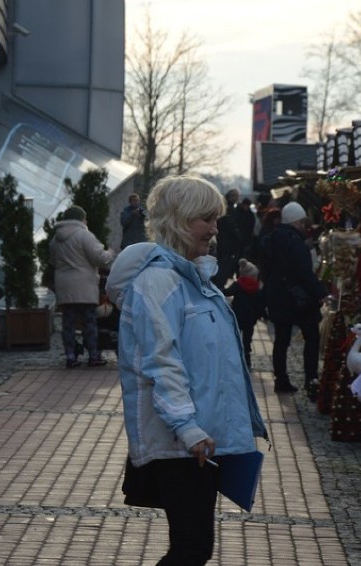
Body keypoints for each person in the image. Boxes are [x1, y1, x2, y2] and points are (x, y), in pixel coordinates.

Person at [105, 175, 268, 565]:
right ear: (179, 219)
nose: (214, 229)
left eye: (216, 219)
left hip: (199, 441)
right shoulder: (159, 282)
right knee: (192, 548)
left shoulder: (195, 279)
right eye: (206, 219)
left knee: (193, 547)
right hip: (182, 441)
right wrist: (188, 427)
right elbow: (160, 363)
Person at [260, 202, 328, 393]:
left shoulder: (270, 239)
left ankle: (281, 380)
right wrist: (321, 293)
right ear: (297, 221)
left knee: (281, 340)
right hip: (300, 299)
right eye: (302, 222)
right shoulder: (295, 242)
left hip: (277, 297)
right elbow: (304, 273)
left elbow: (265, 269)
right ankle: (311, 379)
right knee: (311, 337)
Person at [49, 205, 114, 368]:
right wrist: (111, 253)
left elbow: (53, 260)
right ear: (80, 218)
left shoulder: (56, 238)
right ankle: (93, 356)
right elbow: (100, 258)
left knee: (68, 323)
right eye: (84, 218)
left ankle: (70, 357)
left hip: (64, 285)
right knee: (89, 322)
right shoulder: (84, 235)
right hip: (84, 285)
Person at [222, 258, 266, 369]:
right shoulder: (257, 288)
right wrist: (260, 315)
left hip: (237, 316)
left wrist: (217, 289)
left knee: (235, 338)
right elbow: (260, 305)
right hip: (250, 319)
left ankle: (234, 359)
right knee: (247, 340)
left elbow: (227, 292)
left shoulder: (238, 285)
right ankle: (247, 360)